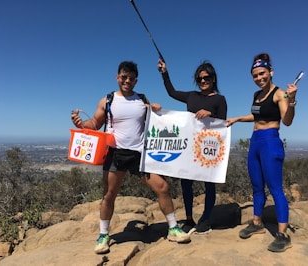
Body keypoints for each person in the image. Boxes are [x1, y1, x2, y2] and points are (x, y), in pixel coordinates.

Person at [71, 61, 190, 255]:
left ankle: (173, 228)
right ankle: (103, 236)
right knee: (109, 195)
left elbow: (156, 121)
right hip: (115, 154)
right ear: (117, 78)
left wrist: (155, 108)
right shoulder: (107, 100)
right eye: (124, 77)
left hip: (140, 155)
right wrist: (79, 123)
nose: (127, 81)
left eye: (131, 78)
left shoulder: (142, 100)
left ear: (136, 80)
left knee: (163, 187)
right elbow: (93, 123)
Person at [226, 53, 298, 252]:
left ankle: (283, 234)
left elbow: (287, 120)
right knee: (257, 186)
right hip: (255, 142)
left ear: (270, 72)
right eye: (255, 75)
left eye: (262, 74)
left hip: (270, 142)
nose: (259, 78)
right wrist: (237, 119)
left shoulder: (279, 93)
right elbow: (257, 115)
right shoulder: (256, 95)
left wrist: (291, 100)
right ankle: (257, 223)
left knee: (275, 188)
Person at [157, 59, 228, 234]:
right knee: (186, 182)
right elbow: (171, 92)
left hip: (208, 147)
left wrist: (211, 114)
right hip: (189, 146)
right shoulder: (191, 96)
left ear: (213, 79)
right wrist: (164, 73)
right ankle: (189, 218)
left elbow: (223, 124)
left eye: (207, 77)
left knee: (209, 183)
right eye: (199, 78)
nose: (203, 81)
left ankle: (206, 218)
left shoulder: (220, 99)